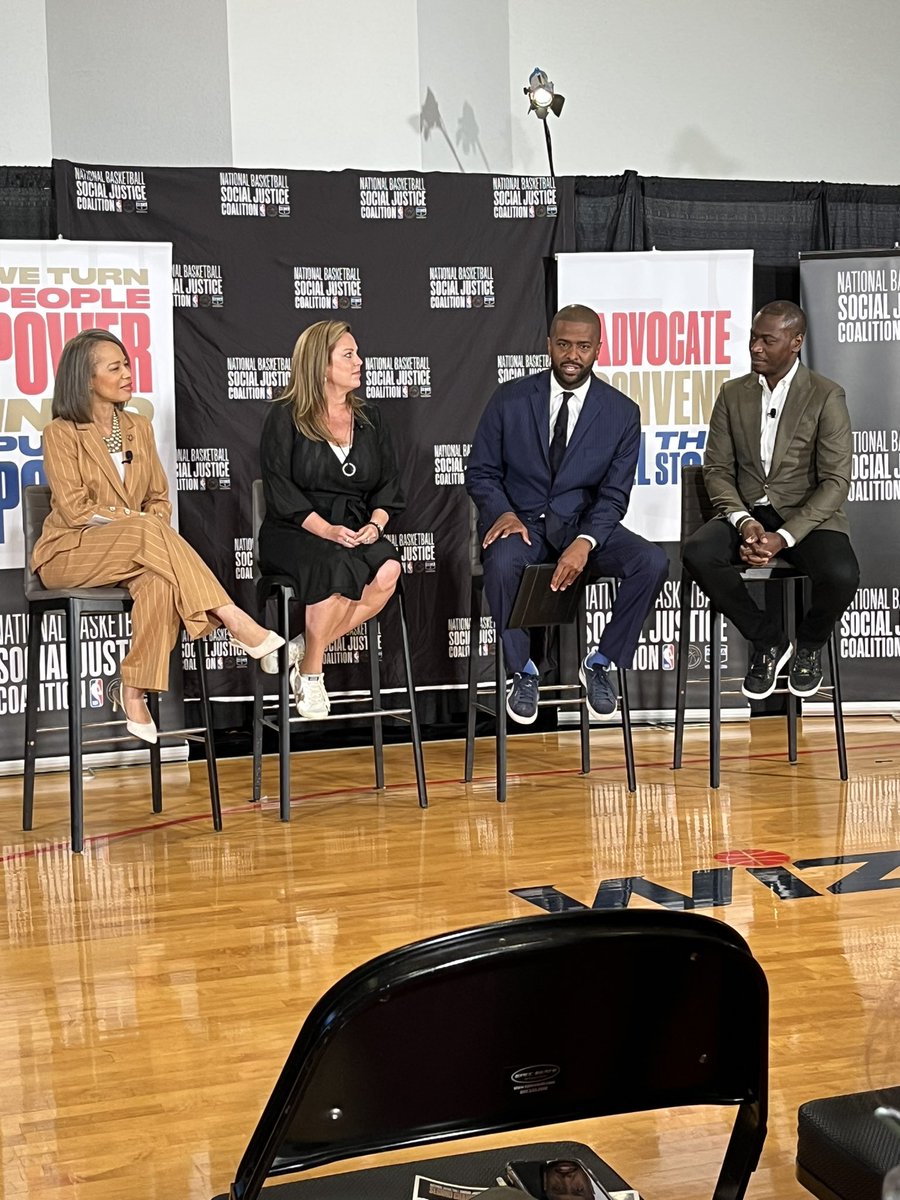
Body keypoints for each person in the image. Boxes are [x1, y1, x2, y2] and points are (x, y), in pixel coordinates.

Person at [33, 329, 283, 745]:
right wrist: (136, 522)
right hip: (69, 553)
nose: (129, 373)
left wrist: (142, 522)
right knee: (148, 528)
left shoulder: (138, 427)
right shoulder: (61, 432)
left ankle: (132, 691)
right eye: (115, 367)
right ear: (86, 379)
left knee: (161, 581)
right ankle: (235, 620)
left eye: (128, 363)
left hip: (133, 553)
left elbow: (159, 499)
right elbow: (76, 509)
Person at [466, 303, 668, 724]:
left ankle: (602, 662)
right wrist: (502, 512)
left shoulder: (621, 412)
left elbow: (614, 495)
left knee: (651, 561)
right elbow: (481, 471)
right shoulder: (511, 398)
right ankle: (522, 672)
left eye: (582, 346)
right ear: (548, 346)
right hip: (522, 523)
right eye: (563, 345)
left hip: (582, 525)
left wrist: (585, 541)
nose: (571, 355)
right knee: (502, 563)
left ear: (598, 349)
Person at [682, 299, 859, 699]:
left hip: (806, 516)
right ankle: (768, 640)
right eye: (753, 338)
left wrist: (784, 537)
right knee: (697, 552)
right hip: (748, 512)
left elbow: (835, 481)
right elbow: (717, 470)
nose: (755, 348)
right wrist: (743, 521)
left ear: (795, 342)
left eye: (767, 340)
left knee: (842, 575)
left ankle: (809, 646)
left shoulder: (826, 396)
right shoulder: (732, 394)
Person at [258, 320, 404, 719]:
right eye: (348, 355)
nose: (360, 361)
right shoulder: (285, 416)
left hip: (356, 522)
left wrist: (374, 525)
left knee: (388, 568)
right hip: (296, 528)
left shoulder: (371, 418)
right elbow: (279, 488)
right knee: (333, 563)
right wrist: (326, 530)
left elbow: (389, 485)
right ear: (320, 365)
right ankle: (311, 675)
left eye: (357, 353)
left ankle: (303, 646)